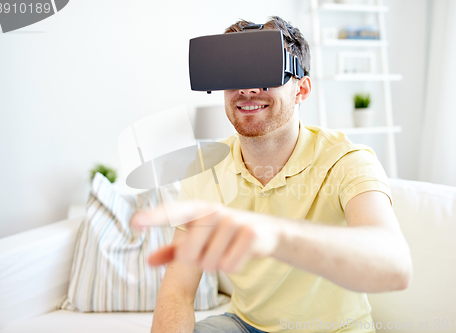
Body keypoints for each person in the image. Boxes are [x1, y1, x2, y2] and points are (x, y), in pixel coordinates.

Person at [131, 16, 412, 333]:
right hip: (244, 325)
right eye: (236, 73)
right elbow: (177, 291)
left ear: (301, 89)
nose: (248, 89)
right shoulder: (204, 169)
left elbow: (395, 267)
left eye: (265, 71)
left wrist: (274, 235)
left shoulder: (347, 160)